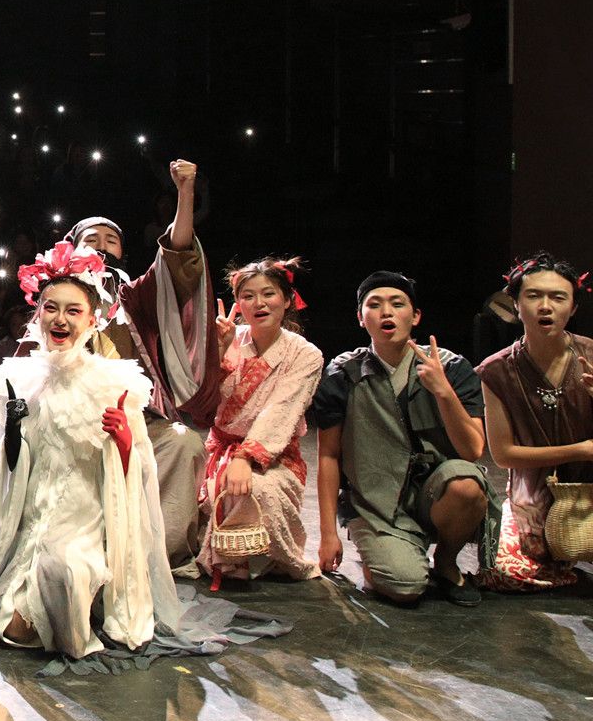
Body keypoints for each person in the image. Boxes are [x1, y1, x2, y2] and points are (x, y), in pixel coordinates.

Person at [0, 243, 259, 663]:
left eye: (73, 311)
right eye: (51, 308)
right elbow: (3, 471)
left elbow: (138, 474)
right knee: (10, 626)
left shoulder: (115, 383)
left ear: (92, 320)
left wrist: (124, 446)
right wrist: (14, 437)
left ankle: (93, 594)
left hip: (84, 520)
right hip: (29, 518)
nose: (60, 319)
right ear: (38, 314)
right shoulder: (17, 379)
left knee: (63, 574)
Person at [63, 158, 219, 571]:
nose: (102, 244)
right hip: (70, 422)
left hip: (137, 419)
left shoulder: (136, 296)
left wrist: (185, 193)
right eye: (91, 238)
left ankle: (156, 557)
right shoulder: (53, 297)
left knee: (184, 443)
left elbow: (176, 259)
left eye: (111, 240)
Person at [309, 271, 491, 604]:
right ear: (361, 318)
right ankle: (388, 553)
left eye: (397, 303)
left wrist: (444, 392)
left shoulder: (450, 367)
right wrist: (327, 534)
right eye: (374, 305)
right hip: (376, 502)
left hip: (435, 490)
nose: (386, 312)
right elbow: (328, 455)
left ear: (415, 315)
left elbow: (473, 449)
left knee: (466, 485)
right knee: (403, 586)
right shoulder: (343, 374)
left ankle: (446, 562)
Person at [195, 259, 322, 587]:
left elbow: (282, 410)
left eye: (269, 294)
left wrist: (245, 457)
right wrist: (217, 352)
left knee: (256, 488)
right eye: (248, 296)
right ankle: (227, 554)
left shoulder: (305, 354)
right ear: (239, 303)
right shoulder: (227, 338)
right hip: (219, 448)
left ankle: (259, 557)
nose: (259, 303)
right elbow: (200, 404)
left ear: (288, 299)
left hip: (274, 455)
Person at [477, 253, 593, 593]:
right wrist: (582, 450)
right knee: (502, 571)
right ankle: (563, 567)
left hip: (589, 490)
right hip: (533, 499)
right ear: (516, 306)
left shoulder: (590, 355)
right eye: (534, 296)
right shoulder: (496, 370)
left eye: (558, 297)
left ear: (572, 308)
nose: (545, 306)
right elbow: (504, 455)